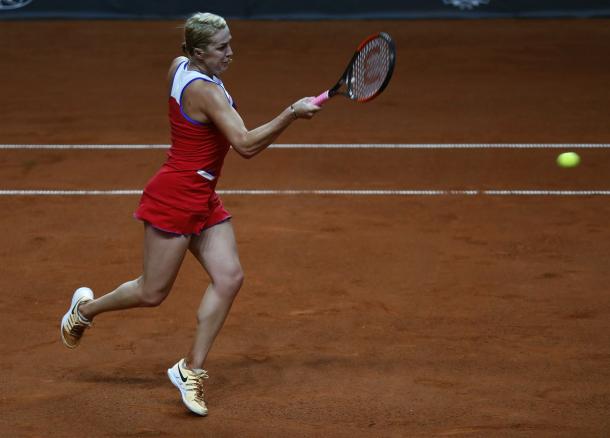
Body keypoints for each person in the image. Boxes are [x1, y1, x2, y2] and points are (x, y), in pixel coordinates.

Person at [60, 12, 320, 417]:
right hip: (176, 197)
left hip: (201, 195)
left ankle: (191, 369)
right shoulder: (206, 92)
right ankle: (84, 311)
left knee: (229, 277)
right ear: (199, 52)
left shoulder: (179, 65)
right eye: (221, 47)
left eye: (230, 42)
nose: (230, 53)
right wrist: (292, 112)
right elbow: (246, 145)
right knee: (152, 293)